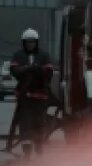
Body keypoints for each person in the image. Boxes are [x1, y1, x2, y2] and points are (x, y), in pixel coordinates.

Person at [8, 28, 56, 157]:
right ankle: (27, 152)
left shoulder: (44, 56)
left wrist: (38, 70)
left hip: (40, 96)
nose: (30, 44)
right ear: (24, 42)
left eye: (32, 42)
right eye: (28, 42)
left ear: (36, 42)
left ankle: (39, 145)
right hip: (24, 97)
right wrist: (26, 69)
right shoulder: (18, 55)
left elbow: (49, 72)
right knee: (25, 124)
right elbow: (14, 70)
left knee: (39, 123)